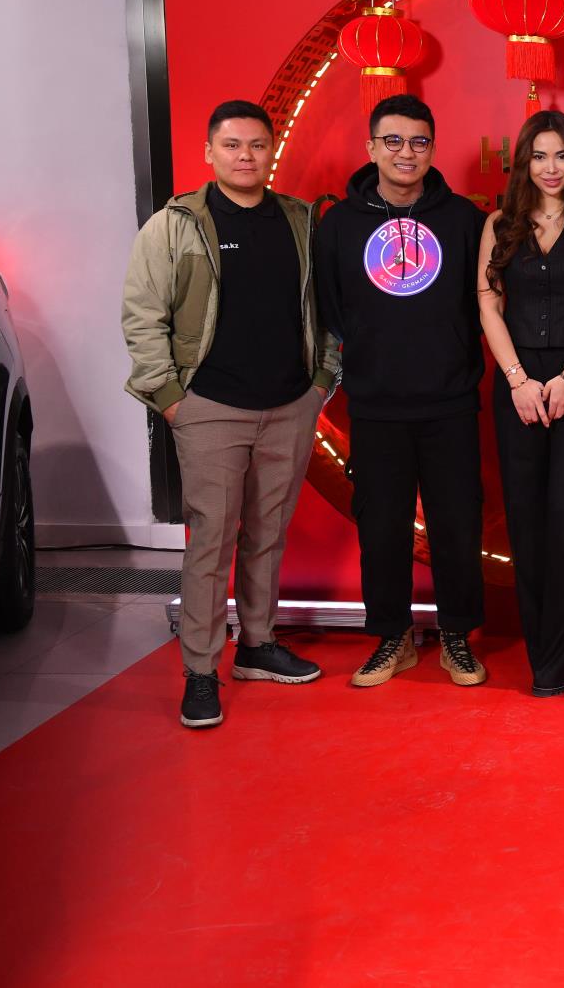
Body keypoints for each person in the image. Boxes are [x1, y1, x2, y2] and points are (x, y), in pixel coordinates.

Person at [122, 100, 337, 730]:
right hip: (210, 407)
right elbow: (142, 314)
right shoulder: (175, 225)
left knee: (268, 533)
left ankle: (258, 645)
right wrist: (170, 399)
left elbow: (328, 308)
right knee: (211, 541)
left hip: (290, 405)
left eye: (257, 145)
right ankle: (200, 669)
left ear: (272, 151)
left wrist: (321, 382)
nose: (246, 156)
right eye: (233, 145)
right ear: (209, 152)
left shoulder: (301, 221)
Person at [314, 94, 490, 690]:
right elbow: (332, 307)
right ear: (371, 148)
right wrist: (371, 353)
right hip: (375, 403)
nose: (405, 152)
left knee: (457, 525)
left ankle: (457, 636)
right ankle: (392, 636)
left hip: (450, 401)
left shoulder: (463, 220)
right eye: (392, 141)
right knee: (381, 529)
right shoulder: (339, 225)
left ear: (432, 149)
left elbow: (481, 306)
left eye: (418, 141)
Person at [477, 110, 564, 697]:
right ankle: (540, 648)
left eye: (561, 155)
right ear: (524, 163)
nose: (551, 167)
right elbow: (488, 304)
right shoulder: (500, 224)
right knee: (527, 518)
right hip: (517, 386)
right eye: (539, 156)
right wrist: (517, 381)